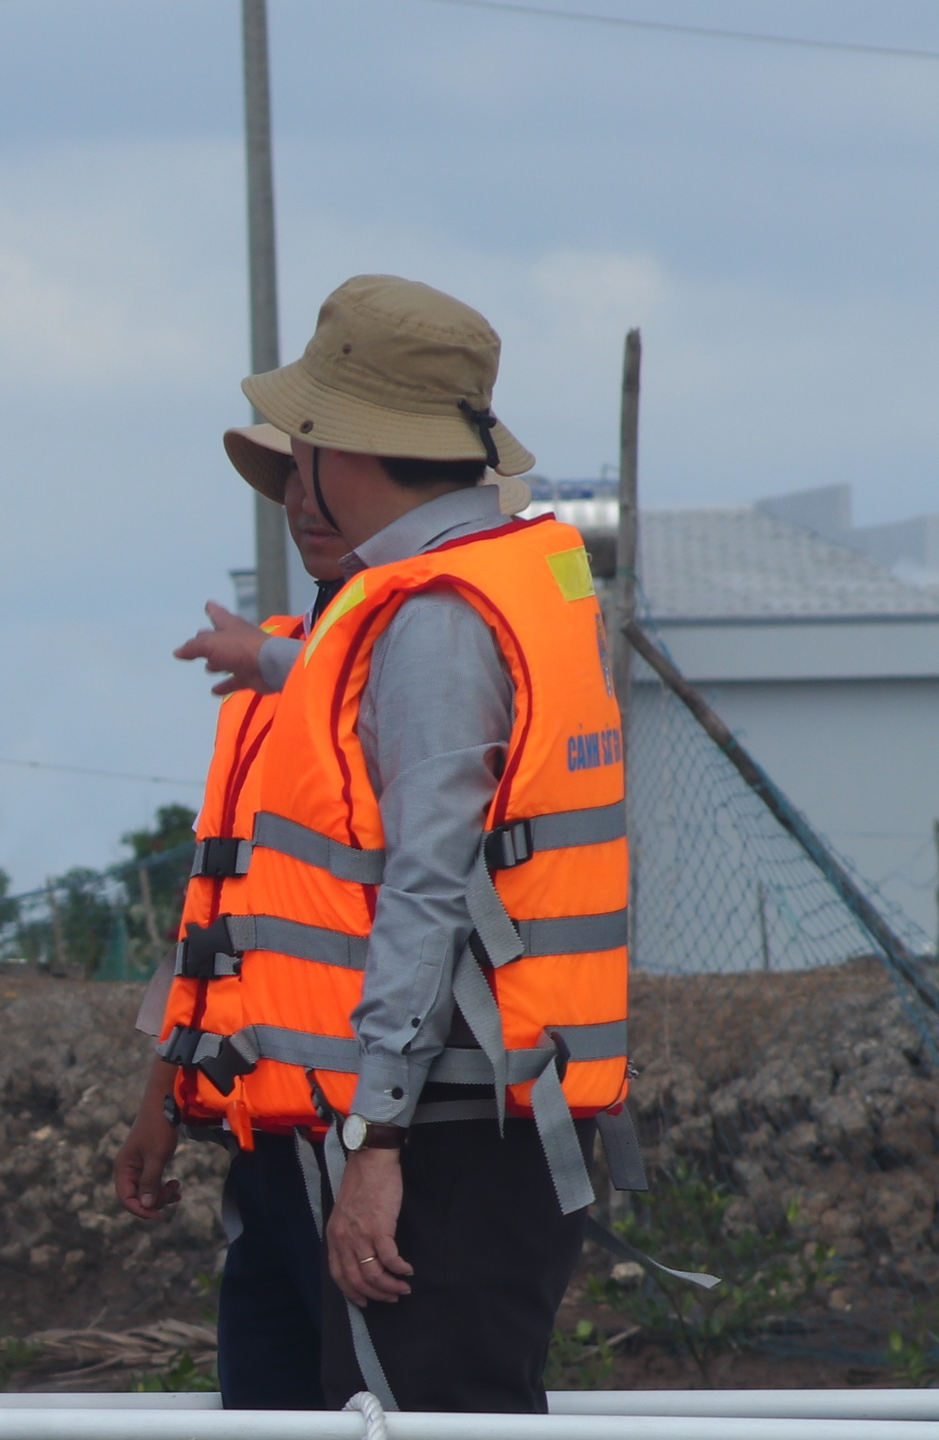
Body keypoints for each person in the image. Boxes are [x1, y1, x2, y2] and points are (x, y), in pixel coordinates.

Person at [174, 275, 628, 1413]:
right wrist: (271, 662)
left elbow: (425, 888)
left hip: (438, 1127)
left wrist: (374, 1137)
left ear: (333, 444)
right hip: (479, 1103)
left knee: (416, 1420)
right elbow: (386, 711)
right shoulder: (475, 587)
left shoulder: (432, 615)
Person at [115, 425, 533, 1410]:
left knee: (388, 1409)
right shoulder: (295, 676)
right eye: (286, 484)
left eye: (316, 477)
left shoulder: (424, 644)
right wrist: (163, 1091)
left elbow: (424, 886)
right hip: (273, 1129)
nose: (302, 503)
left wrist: (376, 1142)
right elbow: (228, 915)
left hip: (374, 1123)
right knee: (268, 1406)